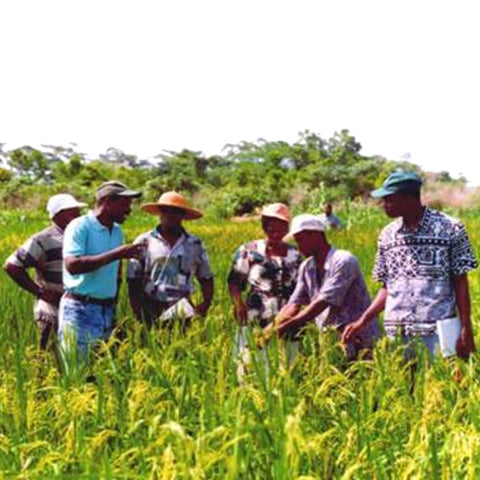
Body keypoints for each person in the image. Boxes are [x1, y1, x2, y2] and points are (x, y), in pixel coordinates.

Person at [342, 171, 477, 359]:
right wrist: (362, 322)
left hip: (438, 331)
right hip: (397, 333)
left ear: (409, 199)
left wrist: (465, 329)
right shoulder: (387, 235)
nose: (384, 205)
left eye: (390, 199)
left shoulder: (450, 228)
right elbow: (387, 287)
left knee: (443, 383)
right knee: (404, 387)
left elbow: (460, 283)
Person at [265, 214, 379, 360]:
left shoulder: (343, 261)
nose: (298, 247)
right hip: (332, 343)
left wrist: (281, 330)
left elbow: (321, 303)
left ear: (316, 235)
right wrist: (268, 330)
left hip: (360, 340)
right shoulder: (307, 267)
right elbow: (293, 305)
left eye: (301, 240)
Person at [59, 181, 143, 360]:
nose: (129, 210)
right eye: (125, 204)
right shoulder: (80, 226)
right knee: (77, 370)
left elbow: (116, 271)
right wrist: (118, 253)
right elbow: (72, 265)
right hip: (79, 309)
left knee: (100, 372)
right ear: (108, 201)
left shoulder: (117, 231)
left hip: (106, 309)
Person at [4, 194, 86, 351]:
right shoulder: (42, 239)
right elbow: (12, 265)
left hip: (77, 304)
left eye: (78, 212)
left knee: (75, 352)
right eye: (73, 212)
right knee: (48, 350)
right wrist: (40, 292)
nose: (78, 216)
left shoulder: (79, 236)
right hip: (52, 305)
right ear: (58, 215)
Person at [127, 191, 213, 327]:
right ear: (160, 213)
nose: (170, 215)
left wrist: (205, 304)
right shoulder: (144, 241)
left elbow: (206, 277)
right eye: (165, 211)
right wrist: (137, 311)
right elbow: (133, 279)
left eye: (175, 211)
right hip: (151, 306)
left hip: (183, 308)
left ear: (183, 215)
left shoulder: (195, 244)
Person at [228, 203, 302, 328]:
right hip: (255, 316)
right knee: (252, 346)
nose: (275, 235)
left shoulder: (295, 254)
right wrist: (238, 304)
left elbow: (302, 286)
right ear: (264, 228)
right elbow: (234, 282)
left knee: (288, 346)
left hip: (287, 319)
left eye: (280, 231)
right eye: (271, 230)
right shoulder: (249, 250)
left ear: (287, 230)